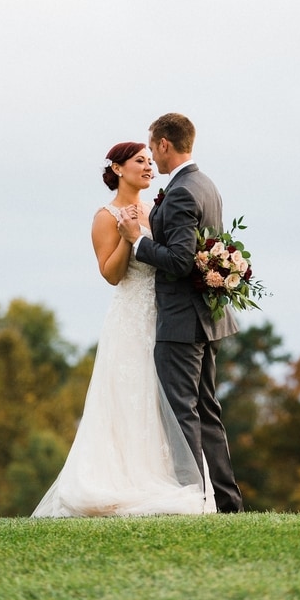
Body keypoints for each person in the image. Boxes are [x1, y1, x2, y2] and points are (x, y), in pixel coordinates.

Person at [32, 141, 213, 517]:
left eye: (150, 160)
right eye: (139, 161)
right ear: (117, 169)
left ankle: (171, 476)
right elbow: (111, 275)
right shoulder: (105, 215)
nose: (148, 166)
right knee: (132, 396)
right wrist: (130, 236)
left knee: (163, 398)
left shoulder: (156, 207)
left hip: (163, 315)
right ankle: (124, 481)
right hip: (130, 316)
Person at [118, 113, 244, 513]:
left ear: (165, 144)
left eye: (152, 146)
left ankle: (193, 500)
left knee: (181, 413)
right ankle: (226, 502)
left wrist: (138, 241)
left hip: (180, 321)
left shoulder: (182, 192)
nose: (152, 155)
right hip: (206, 318)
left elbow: (179, 260)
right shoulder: (206, 185)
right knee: (207, 411)